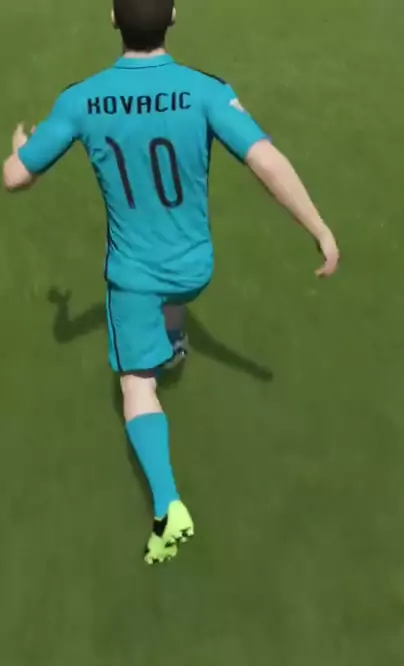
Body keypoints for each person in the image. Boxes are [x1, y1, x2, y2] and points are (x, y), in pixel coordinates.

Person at [3, 0, 340, 565]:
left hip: (136, 279)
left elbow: (15, 178)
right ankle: (175, 339)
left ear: (113, 20)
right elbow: (266, 161)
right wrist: (320, 229)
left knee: (137, 384)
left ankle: (168, 510)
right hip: (195, 267)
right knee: (173, 299)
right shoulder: (206, 90)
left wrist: (20, 148)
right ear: (174, 16)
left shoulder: (82, 99)